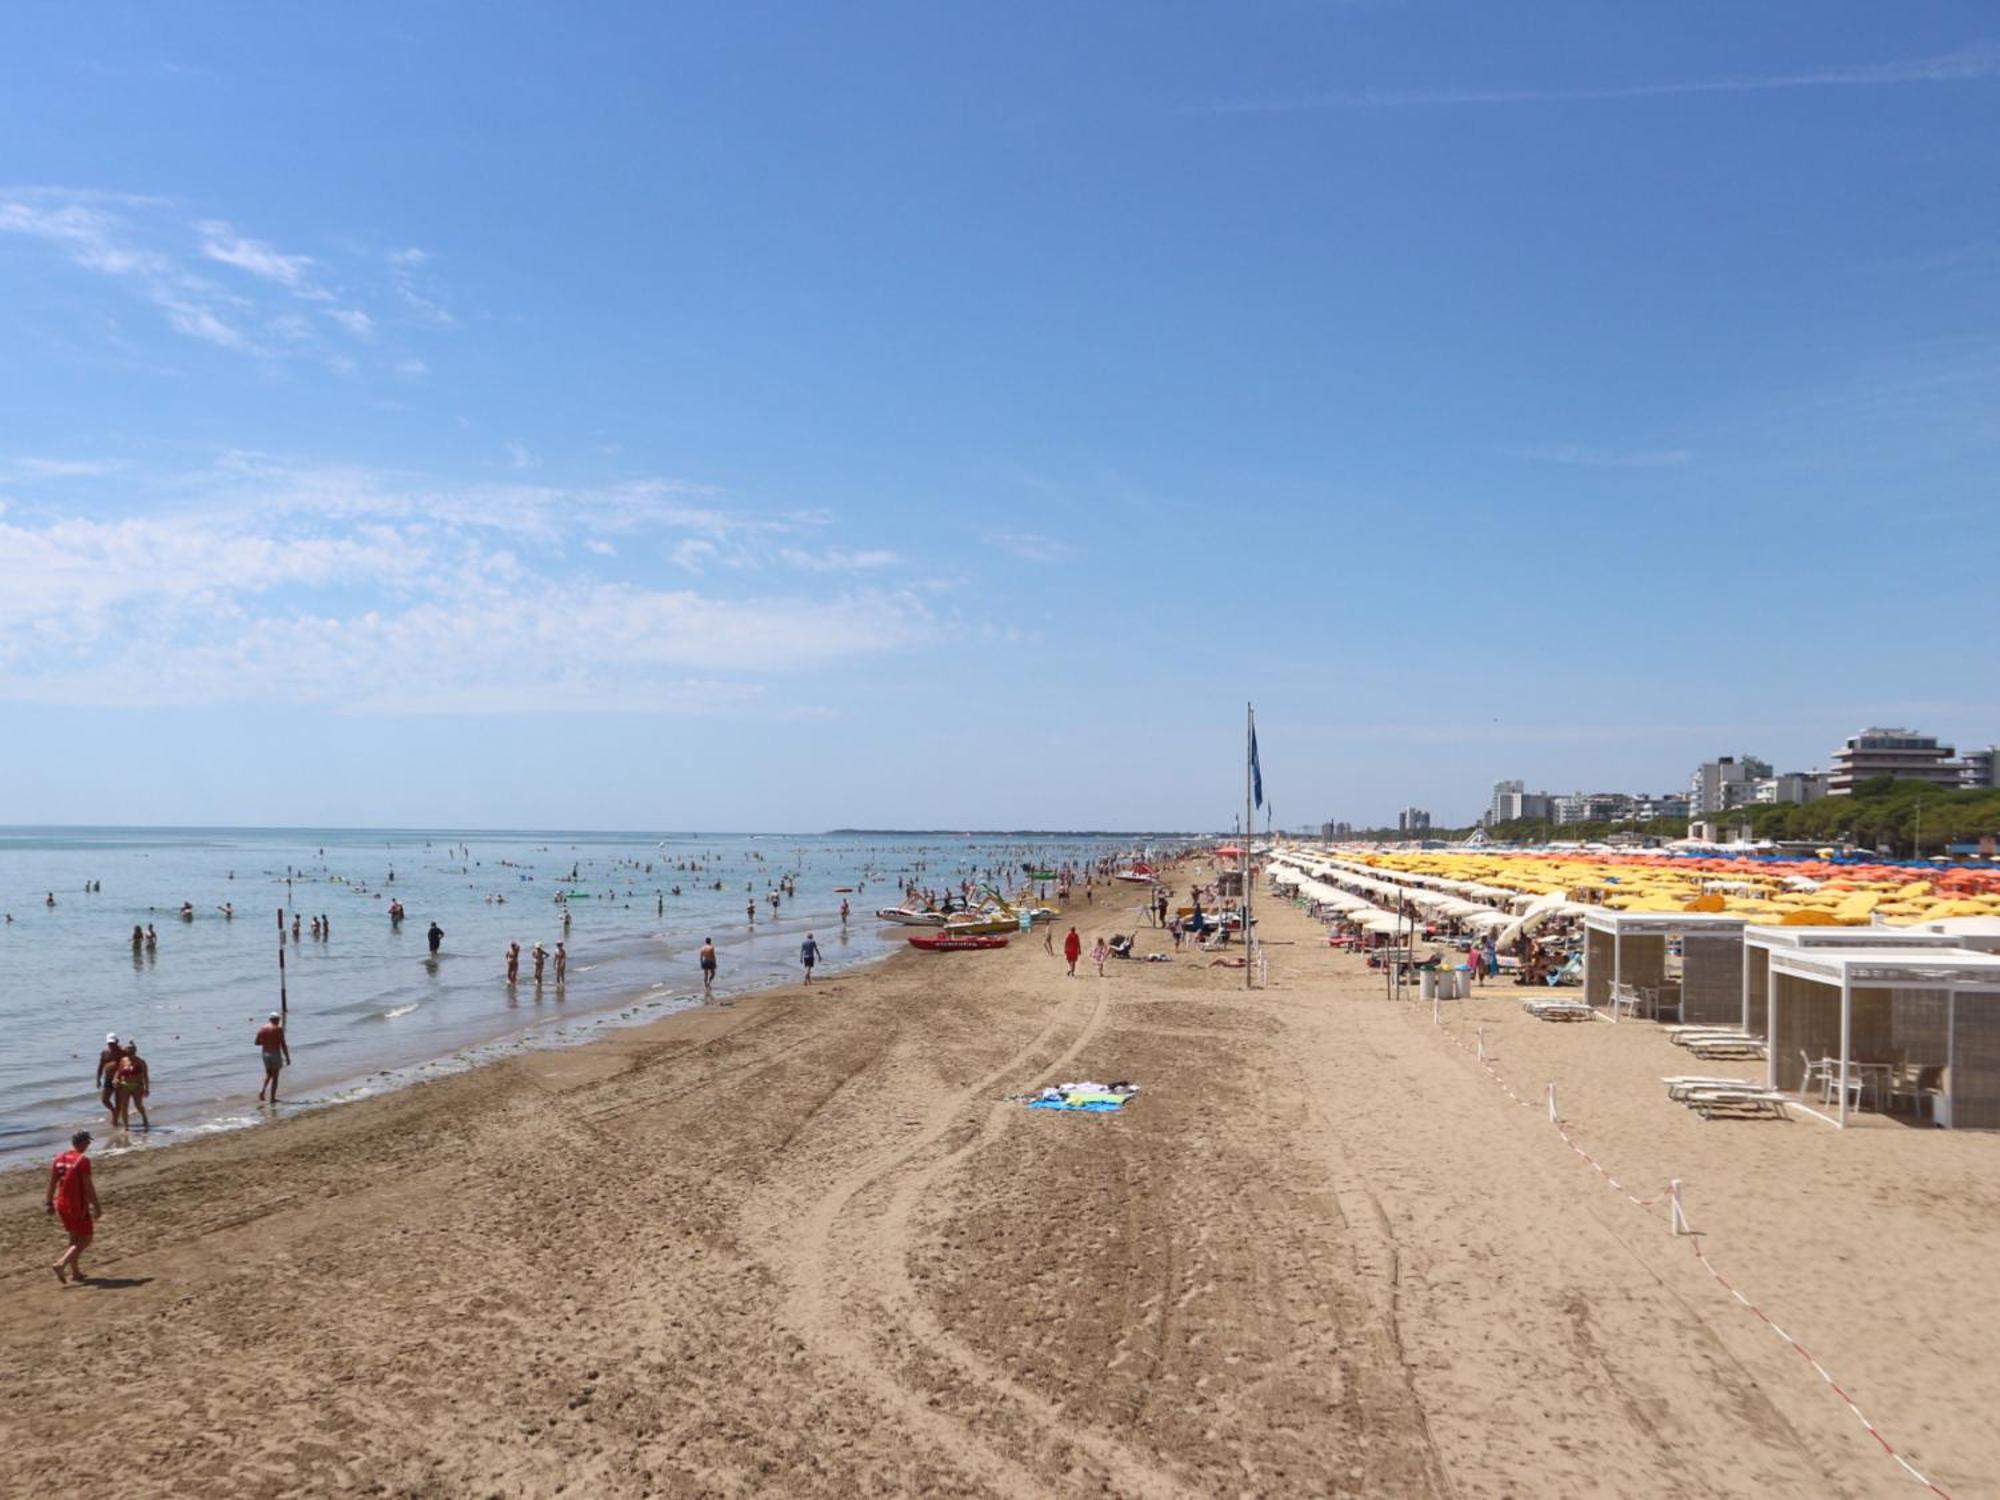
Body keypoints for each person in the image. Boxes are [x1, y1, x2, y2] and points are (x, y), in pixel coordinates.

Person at [47, 1131, 99, 1284]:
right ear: (81, 1142)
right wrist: (96, 1206)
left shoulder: (59, 1159)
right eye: (87, 1142)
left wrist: (49, 1202)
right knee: (86, 1239)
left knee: (74, 1238)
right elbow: (88, 1186)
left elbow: (52, 1183)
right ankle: (61, 1264)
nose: (89, 1145)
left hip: (62, 1203)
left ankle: (75, 1273)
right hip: (78, 1205)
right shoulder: (82, 1160)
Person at [112, 1043, 149, 1130]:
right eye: (128, 1053)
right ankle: (126, 1126)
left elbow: (146, 1076)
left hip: (137, 1086)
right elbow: (118, 1072)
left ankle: (144, 1117)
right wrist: (115, 1079)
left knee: (138, 1105)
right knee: (124, 1106)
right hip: (125, 1086)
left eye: (131, 1052)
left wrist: (147, 1088)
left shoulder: (141, 1061)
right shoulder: (123, 1060)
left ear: (135, 1051)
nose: (130, 1054)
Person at [256, 1012, 291, 1103]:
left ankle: (262, 1090)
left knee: (269, 1074)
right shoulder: (278, 1029)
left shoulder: (262, 1028)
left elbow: (256, 1043)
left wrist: (266, 1042)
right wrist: (287, 1057)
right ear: (276, 1019)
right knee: (275, 1077)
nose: (279, 1021)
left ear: (270, 1019)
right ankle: (272, 1098)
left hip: (265, 1054)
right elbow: (283, 1044)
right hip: (275, 1053)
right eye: (278, 1019)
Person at [96, 1033, 122, 1112]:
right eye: (109, 1043)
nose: (111, 1045)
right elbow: (100, 1067)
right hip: (108, 1078)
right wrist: (98, 1080)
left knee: (118, 1101)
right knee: (104, 1100)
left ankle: (116, 1120)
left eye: (113, 1043)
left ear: (117, 1041)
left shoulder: (122, 1051)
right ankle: (113, 1111)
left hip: (119, 1079)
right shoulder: (104, 1052)